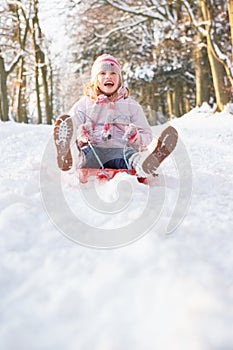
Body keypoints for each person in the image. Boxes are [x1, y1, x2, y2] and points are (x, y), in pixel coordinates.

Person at [54, 54, 178, 177]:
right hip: (93, 149)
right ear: (95, 79)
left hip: (120, 150)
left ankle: (146, 166)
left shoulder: (130, 105)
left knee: (131, 156)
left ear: (119, 79)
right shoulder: (84, 104)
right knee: (83, 156)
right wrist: (81, 136)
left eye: (113, 73)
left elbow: (147, 135)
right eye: (102, 73)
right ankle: (70, 161)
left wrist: (135, 137)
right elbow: (71, 128)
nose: (108, 76)